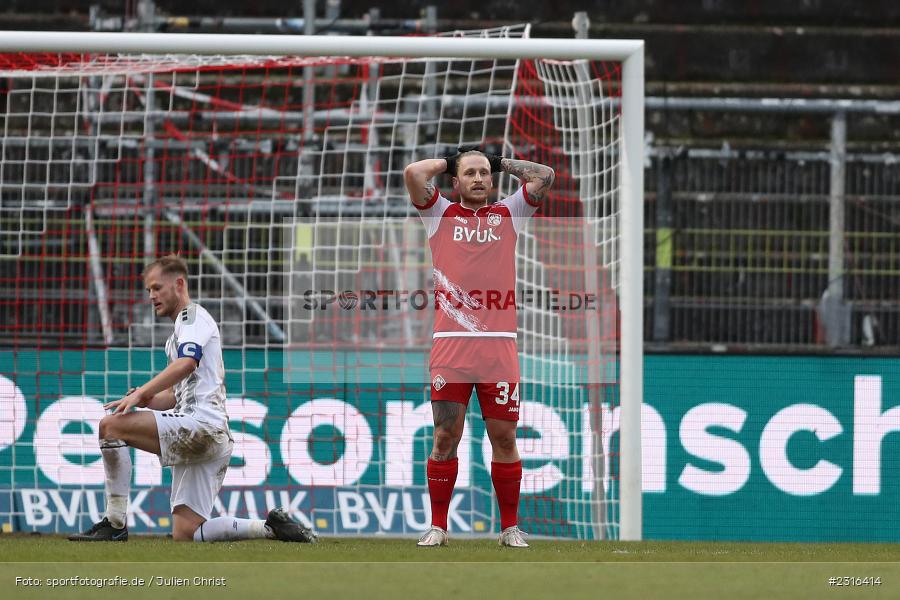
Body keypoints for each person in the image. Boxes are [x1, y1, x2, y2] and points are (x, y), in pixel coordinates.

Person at [69, 254, 316, 543]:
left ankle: (114, 523)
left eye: (157, 288)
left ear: (179, 284)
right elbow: (176, 395)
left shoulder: (193, 317)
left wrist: (143, 391)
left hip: (201, 426)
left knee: (110, 428)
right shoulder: (176, 336)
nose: (151, 296)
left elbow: (187, 363)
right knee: (186, 534)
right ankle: (270, 528)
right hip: (209, 434)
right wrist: (148, 400)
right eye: (149, 290)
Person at [403, 146, 554, 548]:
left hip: (498, 348)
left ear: (492, 180)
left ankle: (510, 529)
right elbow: (414, 174)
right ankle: (438, 526)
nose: (477, 178)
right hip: (451, 347)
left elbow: (544, 176)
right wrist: (448, 159)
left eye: (484, 173)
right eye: (469, 172)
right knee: (444, 436)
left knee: (504, 438)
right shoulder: (440, 214)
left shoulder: (510, 213)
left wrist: (500, 160)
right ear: (456, 180)